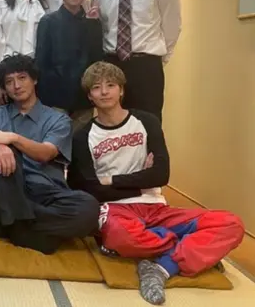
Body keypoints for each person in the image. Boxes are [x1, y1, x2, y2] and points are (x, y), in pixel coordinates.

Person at [67, 61, 244, 305]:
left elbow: (161, 175)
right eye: (97, 87)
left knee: (230, 224)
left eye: (111, 85)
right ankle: (186, 250)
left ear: (122, 90)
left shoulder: (146, 122)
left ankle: (160, 267)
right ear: (90, 96)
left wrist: (111, 180)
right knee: (121, 236)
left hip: (156, 207)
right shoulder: (82, 136)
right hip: (116, 210)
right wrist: (142, 179)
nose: (104, 92)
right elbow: (91, 188)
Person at [0, 54, 99, 255]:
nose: (16, 86)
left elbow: (46, 153)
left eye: (22, 78)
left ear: (34, 80)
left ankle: (13, 225)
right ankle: (29, 228)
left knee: (89, 208)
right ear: (4, 88)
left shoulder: (57, 119)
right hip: (6, 188)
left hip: (44, 192)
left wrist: (12, 138)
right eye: (9, 82)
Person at [92, 0, 182, 122]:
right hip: (112, 67)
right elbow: (101, 33)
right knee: (113, 124)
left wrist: (156, 60)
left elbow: (172, 27)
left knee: (149, 124)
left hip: (146, 67)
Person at [36, 0, 103, 132]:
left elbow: (97, 62)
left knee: (81, 144)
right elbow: (41, 64)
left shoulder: (93, 23)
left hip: (84, 99)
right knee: (55, 144)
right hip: (55, 99)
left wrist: (92, 25)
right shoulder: (48, 22)